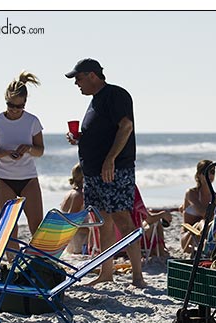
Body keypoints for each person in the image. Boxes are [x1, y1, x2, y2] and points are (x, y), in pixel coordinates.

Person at [65, 58, 145, 288]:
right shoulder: (95, 100)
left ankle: (138, 276)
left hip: (115, 170)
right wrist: (81, 138)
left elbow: (126, 126)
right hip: (94, 174)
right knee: (103, 221)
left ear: (92, 75)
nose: (76, 84)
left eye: (78, 78)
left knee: (123, 218)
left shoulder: (115, 95)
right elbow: (102, 131)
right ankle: (106, 272)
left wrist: (110, 159)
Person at [0, 71, 44, 241]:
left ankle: (41, 262)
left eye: (19, 106)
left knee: (36, 226)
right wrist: (5, 152)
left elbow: (40, 151)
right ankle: (12, 263)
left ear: (25, 103)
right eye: (10, 105)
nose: (14, 110)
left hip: (29, 178)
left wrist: (28, 149)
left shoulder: (32, 121)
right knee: (10, 228)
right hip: (4, 179)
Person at [180, 159, 214, 253]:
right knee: (202, 222)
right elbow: (204, 213)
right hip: (189, 237)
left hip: (206, 237)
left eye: (212, 172)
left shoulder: (215, 196)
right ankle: (205, 238)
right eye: (206, 172)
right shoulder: (191, 193)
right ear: (199, 175)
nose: (210, 175)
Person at [61, 163, 88, 254]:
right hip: (79, 244)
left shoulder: (70, 193)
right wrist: (92, 230)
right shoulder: (78, 196)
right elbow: (71, 224)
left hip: (72, 243)